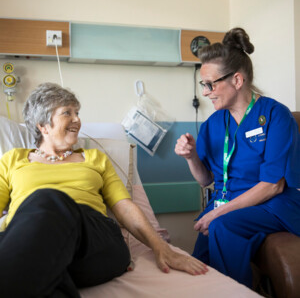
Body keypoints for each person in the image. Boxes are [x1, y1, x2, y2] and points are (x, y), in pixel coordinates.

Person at [0, 82, 208, 298]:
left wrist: (160, 247)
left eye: (77, 112)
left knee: (47, 200)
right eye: (67, 113)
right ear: (43, 125)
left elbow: (124, 207)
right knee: (45, 270)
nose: (77, 119)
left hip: (93, 240)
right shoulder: (12, 160)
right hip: (30, 238)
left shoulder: (94, 158)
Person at [175, 27, 300, 288]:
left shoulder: (276, 115)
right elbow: (205, 179)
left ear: (237, 80)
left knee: (223, 226)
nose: (206, 92)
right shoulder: (213, 123)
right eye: (203, 85)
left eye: (211, 84)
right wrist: (190, 157)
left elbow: (273, 184)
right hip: (227, 201)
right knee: (198, 265)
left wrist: (219, 214)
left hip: (272, 203)